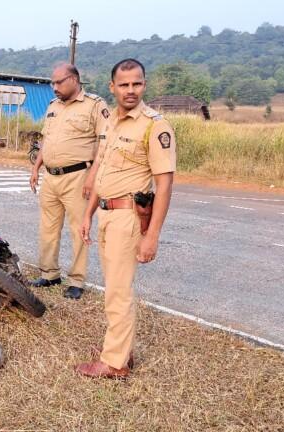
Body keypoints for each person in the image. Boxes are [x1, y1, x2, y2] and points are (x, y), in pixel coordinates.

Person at [75, 59, 176, 379]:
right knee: (112, 288)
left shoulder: (154, 125)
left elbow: (164, 184)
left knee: (119, 291)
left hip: (128, 218)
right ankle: (120, 347)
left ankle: (115, 363)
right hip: (105, 213)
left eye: (137, 84)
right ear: (112, 87)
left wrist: (152, 235)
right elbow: (101, 170)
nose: (131, 90)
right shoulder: (111, 122)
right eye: (124, 84)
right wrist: (89, 213)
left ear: (144, 85)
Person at [29, 64, 111, 299]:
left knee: (79, 230)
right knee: (48, 228)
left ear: (74, 79)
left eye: (59, 82)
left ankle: (76, 280)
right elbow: (46, 139)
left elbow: (104, 145)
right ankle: (49, 274)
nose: (54, 87)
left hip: (78, 177)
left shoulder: (95, 105)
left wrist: (92, 178)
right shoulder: (53, 106)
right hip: (51, 177)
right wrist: (36, 168)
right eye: (52, 83)